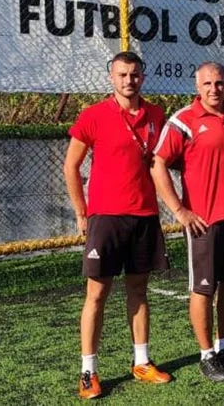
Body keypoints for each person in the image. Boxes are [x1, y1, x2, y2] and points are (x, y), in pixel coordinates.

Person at [64, 51, 172, 400]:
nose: (129, 80)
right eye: (122, 75)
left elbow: (161, 162)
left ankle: (141, 362)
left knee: (139, 291)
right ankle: (88, 371)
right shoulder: (93, 115)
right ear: (111, 77)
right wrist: (81, 212)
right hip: (105, 218)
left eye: (134, 74)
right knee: (96, 294)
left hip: (144, 216)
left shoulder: (156, 115)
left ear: (143, 77)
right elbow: (71, 166)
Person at [150, 61, 224, 382]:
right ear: (197, 87)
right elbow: (158, 164)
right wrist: (180, 211)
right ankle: (206, 354)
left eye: (219, 83)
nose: (214, 89)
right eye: (207, 84)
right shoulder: (183, 120)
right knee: (203, 288)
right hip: (204, 221)